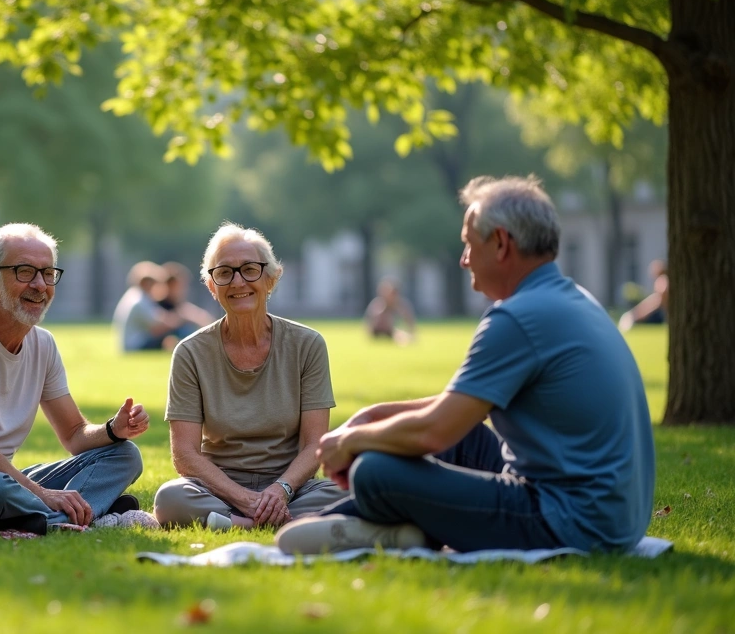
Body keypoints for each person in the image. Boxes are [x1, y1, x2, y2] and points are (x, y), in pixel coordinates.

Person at [277, 175, 655, 554]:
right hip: (614, 518)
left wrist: (350, 440)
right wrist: (376, 415)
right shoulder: (572, 300)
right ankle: (358, 526)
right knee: (464, 437)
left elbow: (433, 433)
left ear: (502, 244)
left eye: (468, 244)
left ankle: (354, 527)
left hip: (570, 521)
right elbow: (459, 409)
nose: (464, 259)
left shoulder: (517, 317)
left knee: (376, 473)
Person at [0, 223, 158, 534]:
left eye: (48, 273)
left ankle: (54, 518)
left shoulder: (43, 344)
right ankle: (73, 517)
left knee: (124, 455)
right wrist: (43, 493)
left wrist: (113, 430)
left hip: (5, 479)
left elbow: (75, 434)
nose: (40, 285)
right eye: (25, 271)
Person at [153, 224, 347, 530]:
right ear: (212, 287)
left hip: (291, 488)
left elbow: (315, 445)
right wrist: (244, 498)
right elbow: (185, 454)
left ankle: (238, 523)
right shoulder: (190, 352)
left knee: (354, 490)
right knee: (170, 498)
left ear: (270, 279)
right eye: (225, 273)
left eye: (249, 270)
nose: (238, 281)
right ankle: (274, 522)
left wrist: (280, 490)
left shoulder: (307, 344)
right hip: (220, 489)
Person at [113, 261, 187, 351]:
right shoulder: (139, 300)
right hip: (135, 345)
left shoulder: (136, 296)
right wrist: (179, 320)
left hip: (134, 343)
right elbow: (157, 327)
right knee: (180, 331)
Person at [157, 261, 216, 333]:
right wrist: (182, 317)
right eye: (180, 286)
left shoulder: (181, 306)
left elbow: (206, 320)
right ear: (170, 285)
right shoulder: (155, 305)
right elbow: (158, 328)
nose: (184, 289)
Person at [619, 260, 668, 331]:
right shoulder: (664, 281)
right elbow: (653, 300)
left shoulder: (662, 281)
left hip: (660, 315)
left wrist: (637, 315)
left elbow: (658, 303)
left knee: (635, 318)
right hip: (660, 313)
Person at [364, 279, 417, 344]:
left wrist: (411, 332)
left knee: (402, 335)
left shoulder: (401, 305)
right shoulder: (378, 304)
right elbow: (370, 323)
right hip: (379, 332)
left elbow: (409, 320)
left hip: (392, 331)